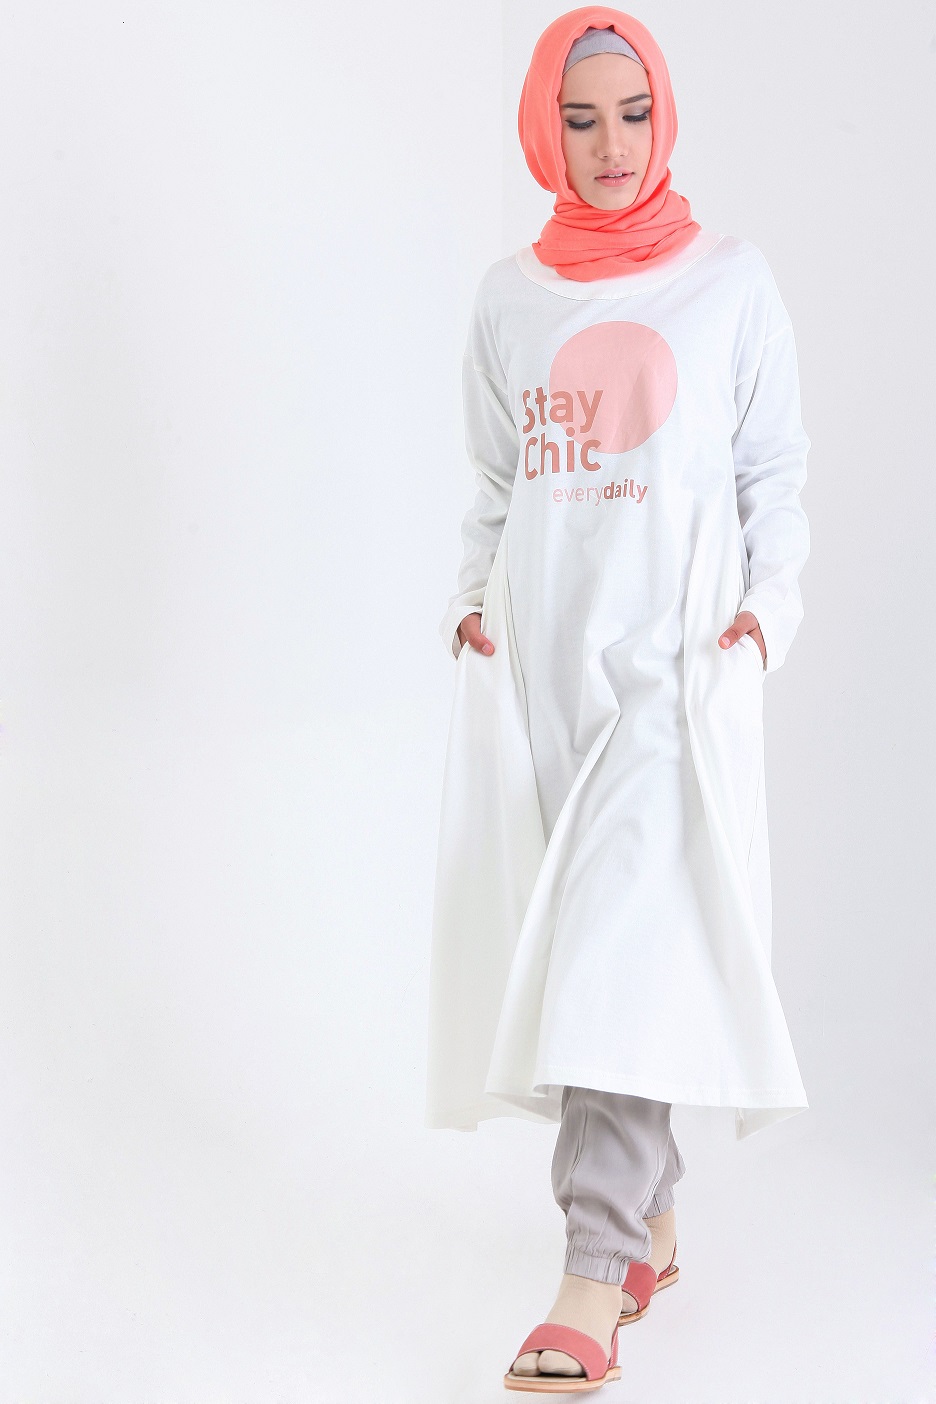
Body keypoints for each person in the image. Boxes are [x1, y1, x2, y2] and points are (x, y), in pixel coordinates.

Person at [425, 6, 811, 1392]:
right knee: (601, 957)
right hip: (550, 673)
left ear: (665, 119)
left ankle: (593, 1267)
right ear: (545, 128)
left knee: (615, 948)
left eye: (633, 114)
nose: (611, 145)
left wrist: (762, 624)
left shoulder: (730, 284)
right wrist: (471, 603)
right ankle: (654, 1220)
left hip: (675, 680)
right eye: (579, 119)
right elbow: (498, 482)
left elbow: (775, 476)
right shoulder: (509, 299)